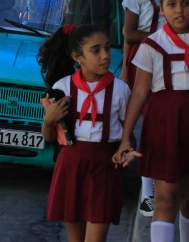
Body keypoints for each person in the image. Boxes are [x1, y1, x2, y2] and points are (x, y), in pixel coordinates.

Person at [114, 0, 189, 242]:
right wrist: (126, 136)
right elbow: (140, 93)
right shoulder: (152, 45)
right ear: (162, 10)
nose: (179, 10)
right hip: (164, 124)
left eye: (185, 4)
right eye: (171, 5)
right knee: (165, 196)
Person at [38, 24, 131, 242]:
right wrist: (48, 120)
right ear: (77, 57)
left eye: (107, 48)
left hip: (105, 166)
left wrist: (126, 150)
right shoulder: (62, 88)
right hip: (71, 164)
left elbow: (127, 133)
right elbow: (50, 137)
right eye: (95, 50)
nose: (105, 56)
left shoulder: (121, 90)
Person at [120, 0, 173, 217]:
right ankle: (147, 191)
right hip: (145, 63)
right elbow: (129, 33)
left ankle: (164, 182)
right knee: (147, 124)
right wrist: (161, 38)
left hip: (172, 64)